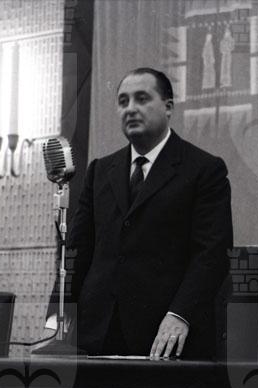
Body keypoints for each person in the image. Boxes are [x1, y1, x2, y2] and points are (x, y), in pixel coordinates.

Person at [68, 67, 233, 359]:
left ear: (168, 107)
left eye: (142, 99)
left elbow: (212, 254)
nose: (130, 109)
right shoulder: (100, 171)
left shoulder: (204, 169)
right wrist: (56, 318)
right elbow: (77, 251)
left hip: (166, 335)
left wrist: (180, 315)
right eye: (123, 101)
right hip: (97, 333)